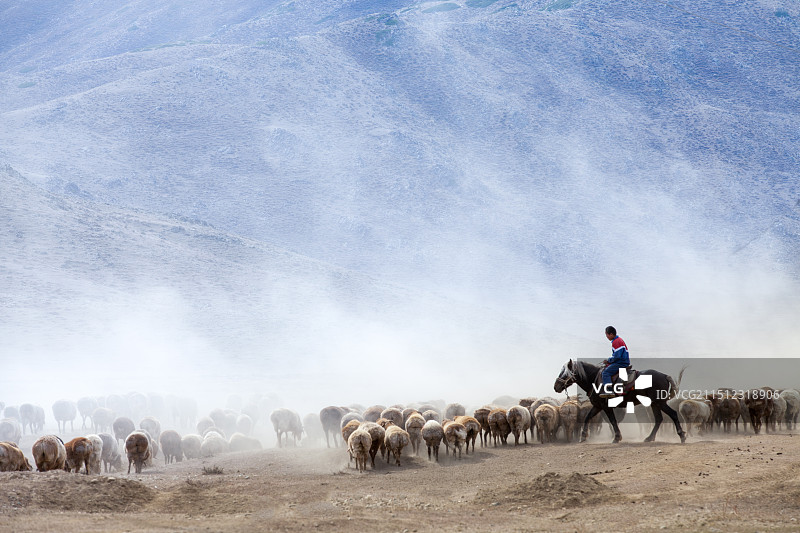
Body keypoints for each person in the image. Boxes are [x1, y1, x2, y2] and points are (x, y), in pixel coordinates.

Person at [599, 326, 630, 399]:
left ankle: (609, 391)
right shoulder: (618, 340)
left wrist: (608, 360)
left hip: (621, 363)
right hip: (622, 361)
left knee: (605, 373)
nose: (606, 336)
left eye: (606, 334)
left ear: (611, 334)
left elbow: (617, 356)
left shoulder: (616, 342)